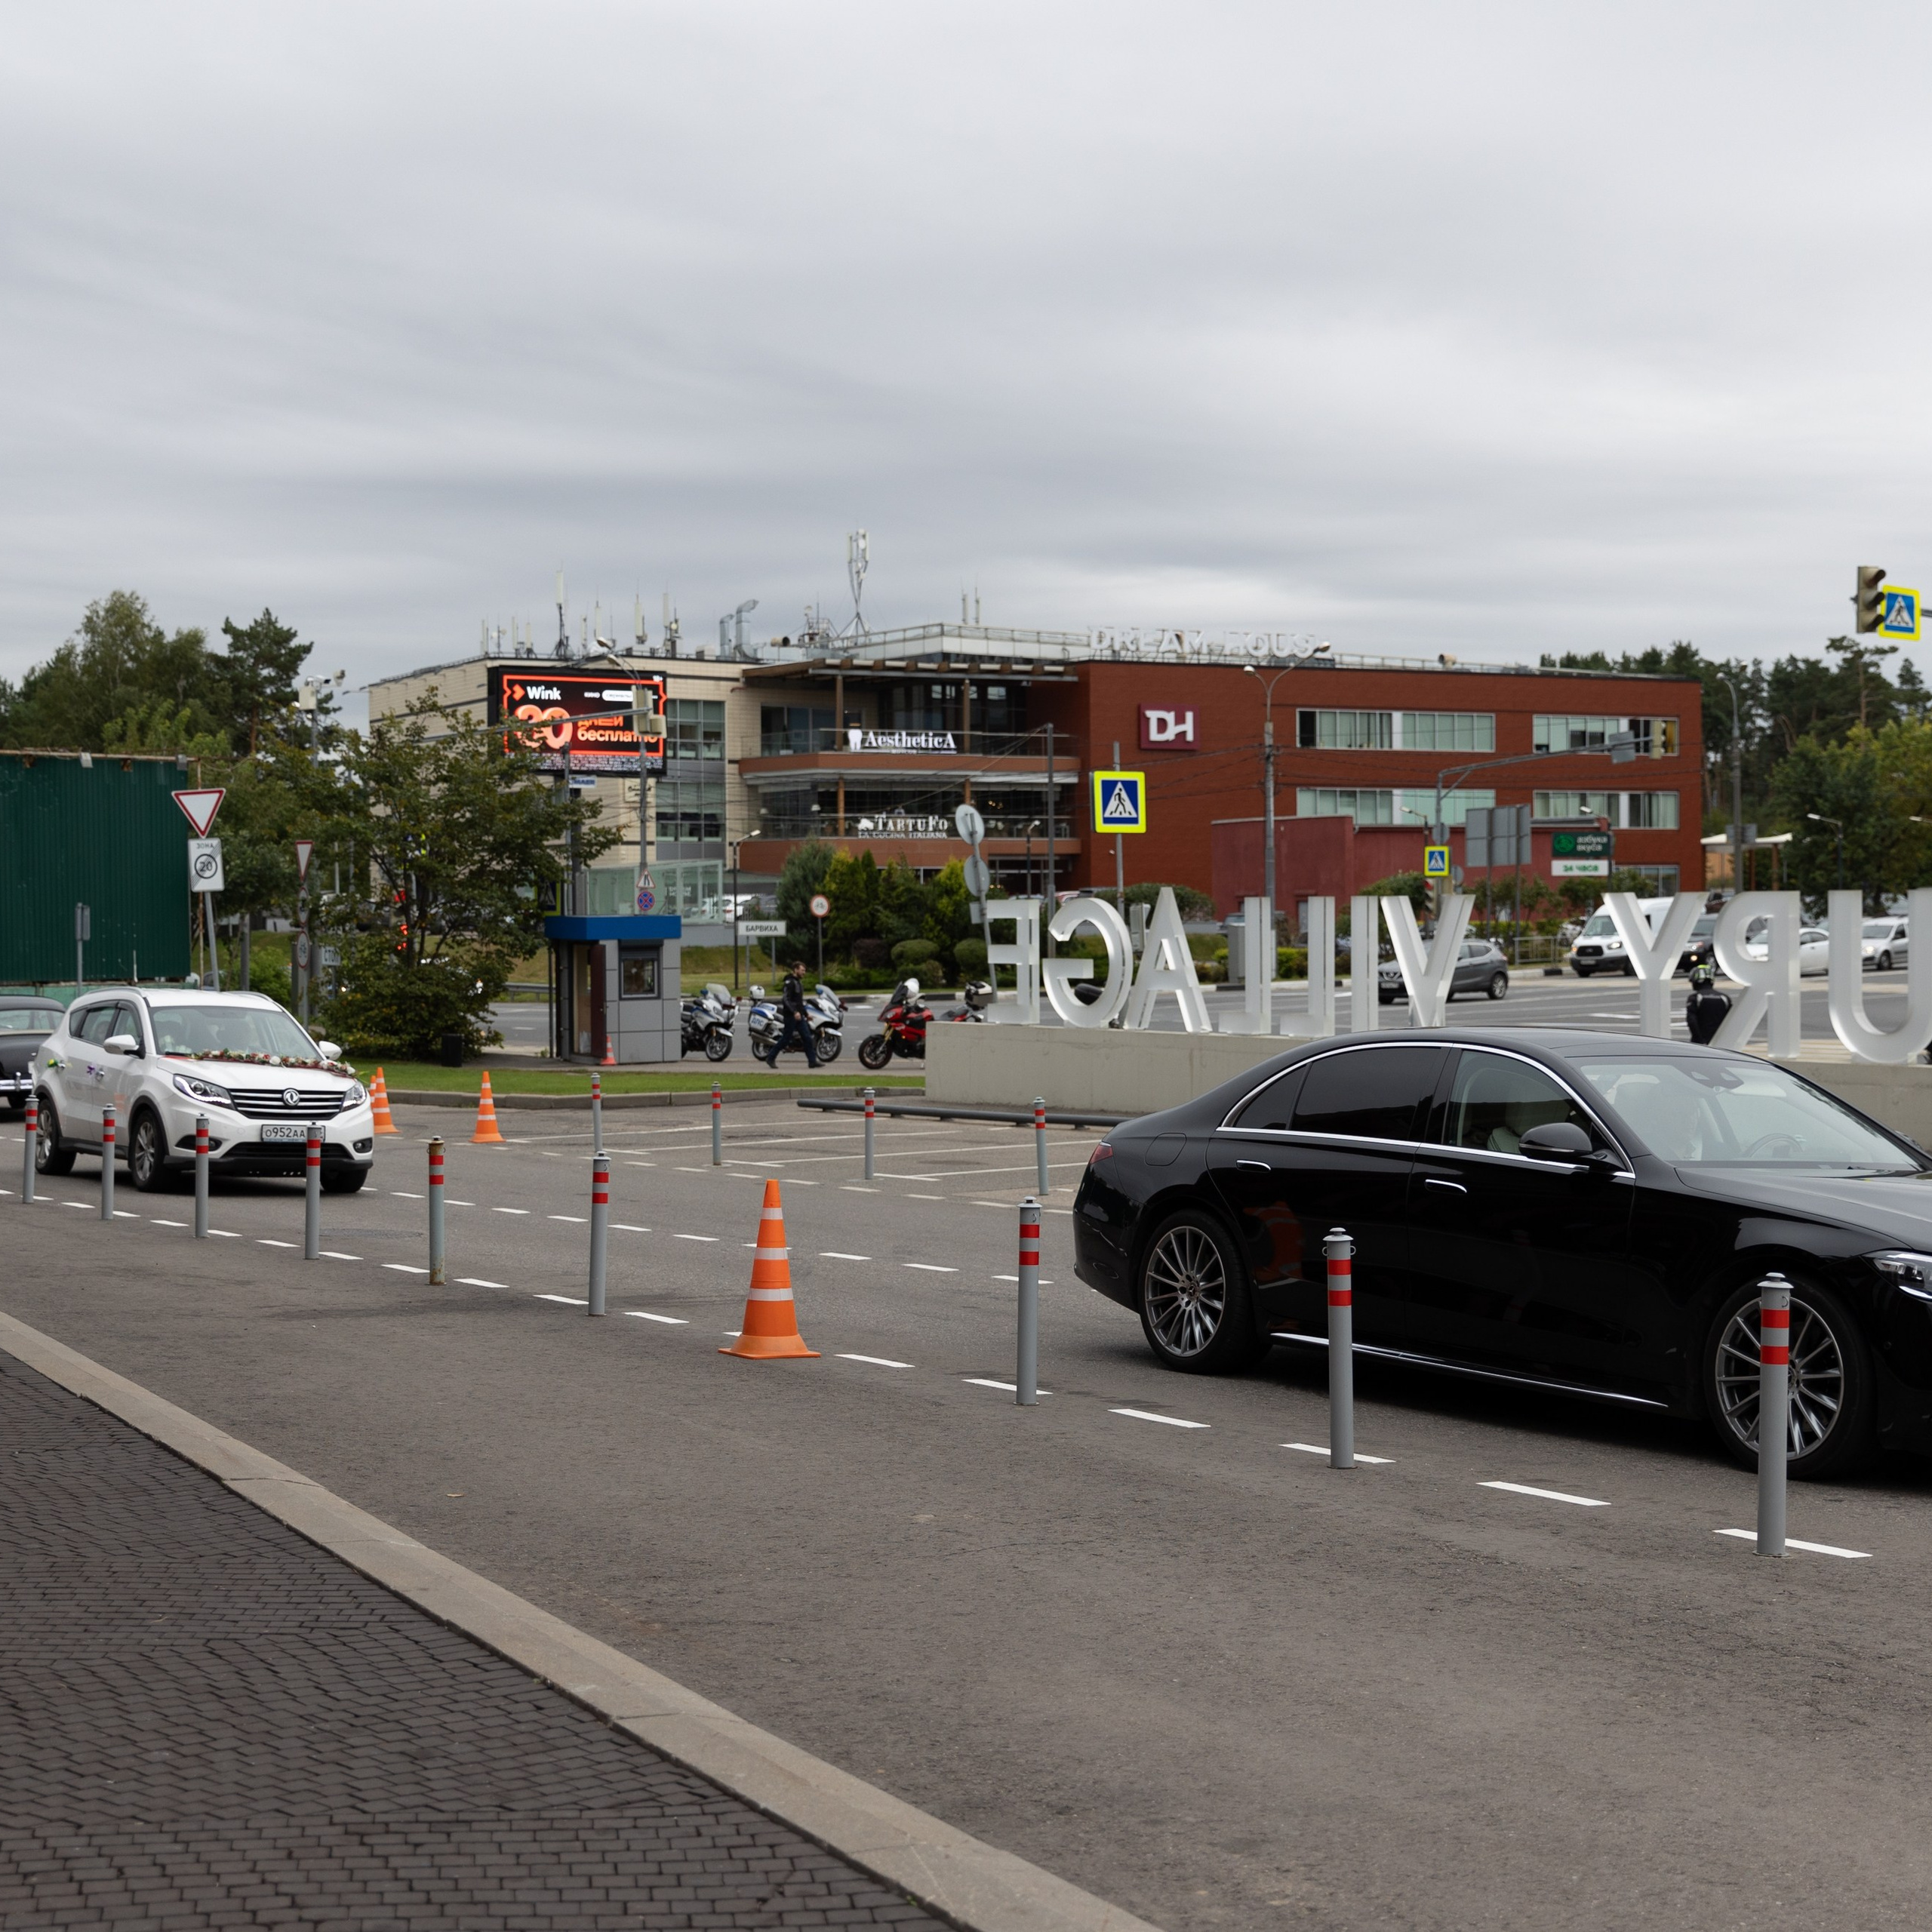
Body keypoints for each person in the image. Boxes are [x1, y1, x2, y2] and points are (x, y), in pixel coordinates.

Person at [769, 961, 820, 1068]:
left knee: (807, 1037)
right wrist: (794, 1012)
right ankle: (771, 1058)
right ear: (796, 970)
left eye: (804, 970)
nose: (804, 973)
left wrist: (805, 1014)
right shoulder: (790, 983)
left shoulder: (798, 982)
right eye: (802, 970)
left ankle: (812, 1061)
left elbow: (799, 1002)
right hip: (791, 1016)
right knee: (786, 1038)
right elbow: (786, 999)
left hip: (799, 1016)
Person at [1684, 962, 1731, 1046]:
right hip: (1722, 1042)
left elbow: (1692, 1021)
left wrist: (1700, 1041)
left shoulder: (1696, 997)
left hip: (1701, 1043)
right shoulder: (1724, 998)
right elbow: (1731, 1020)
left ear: (1696, 981)